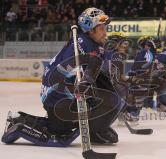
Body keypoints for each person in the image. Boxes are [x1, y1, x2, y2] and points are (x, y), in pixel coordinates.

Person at [2, 7, 125, 147]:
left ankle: (95, 129)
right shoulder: (82, 44)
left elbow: (100, 72)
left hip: (64, 92)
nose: (105, 32)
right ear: (91, 30)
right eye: (102, 28)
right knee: (61, 132)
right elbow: (66, 74)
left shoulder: (94, 45)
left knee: (110, 94)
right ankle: (18, 123)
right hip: (56, 96)